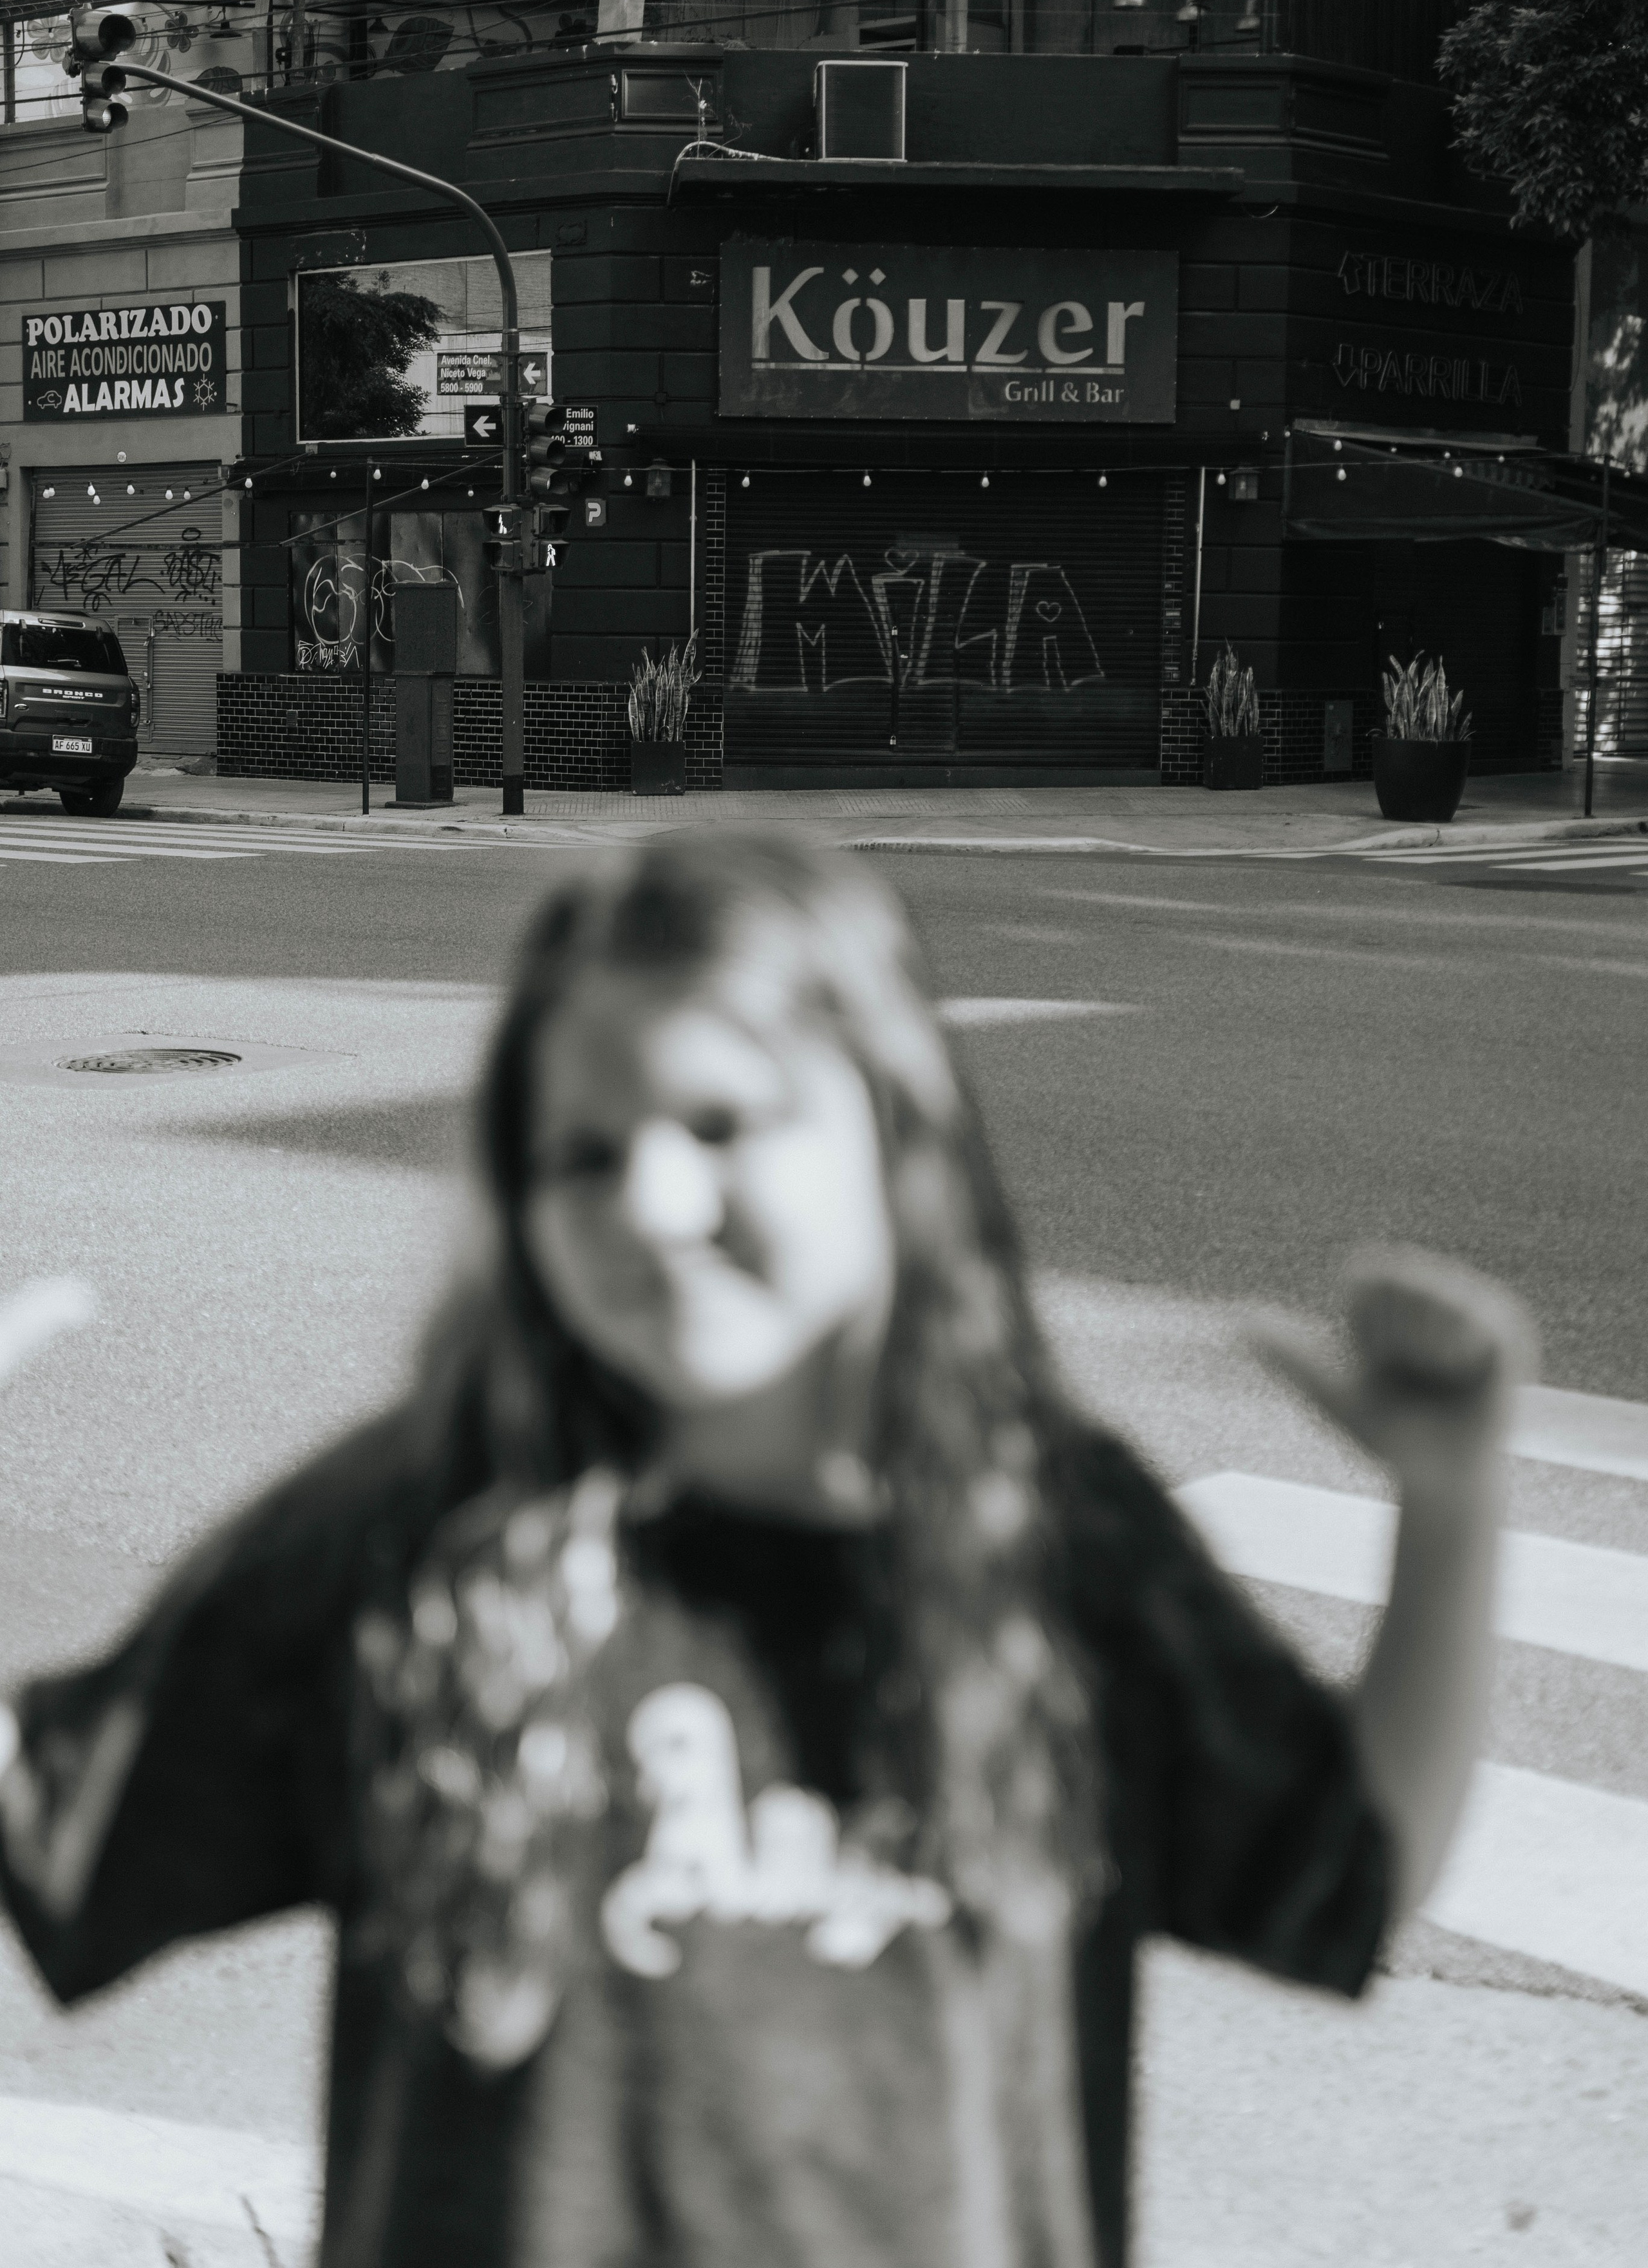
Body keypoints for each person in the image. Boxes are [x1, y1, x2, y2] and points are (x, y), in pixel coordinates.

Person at [0, 835, 1531, 2268]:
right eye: (581, 1156)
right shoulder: (406, 1537)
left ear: (896, 1131)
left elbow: (1348, 1870)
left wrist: (1452, 1503)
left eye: (721, 1124)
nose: (653, 1204)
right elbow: (61, 1822)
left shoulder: (1052, 1544)